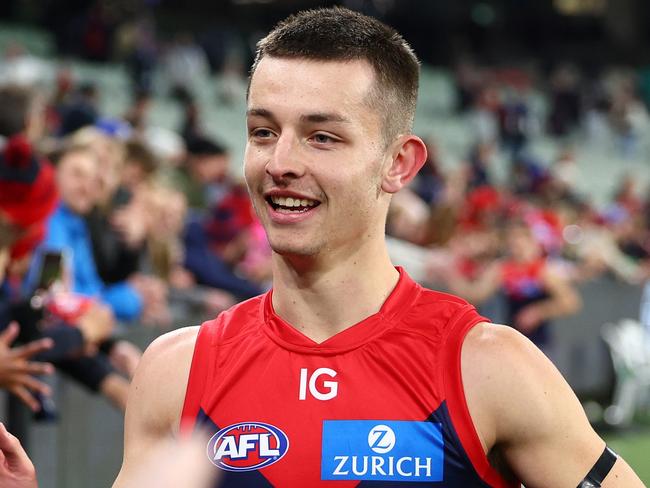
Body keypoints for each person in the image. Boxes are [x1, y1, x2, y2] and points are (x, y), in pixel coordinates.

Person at [115, 7, 643, 487]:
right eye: (262, 131)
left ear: (399, 163)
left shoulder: (486, 368)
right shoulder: (175, 371)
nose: (280, 162)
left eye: (322, 137)